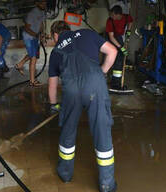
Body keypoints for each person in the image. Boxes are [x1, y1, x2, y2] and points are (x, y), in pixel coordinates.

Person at [48, 21, 118, 192]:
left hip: (71, 91)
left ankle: (65, 174)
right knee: (102, 129)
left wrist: (53, 105)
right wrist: (101, 72)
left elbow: (52, 85)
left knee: (68, 129)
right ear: (68, 30)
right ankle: (107, 184)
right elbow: (113, 51)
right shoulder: (87, 33)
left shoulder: (56, 51)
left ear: (55, 35)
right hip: (95, 85)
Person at [15, 0, 47, 87]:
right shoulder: (31, 14)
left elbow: (41, 24)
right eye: (41, 3)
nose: (44, 4)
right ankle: (32, 81)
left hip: (35, 37)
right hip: (28, 37)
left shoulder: (42, 12)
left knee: (34, 56)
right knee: (33, 58)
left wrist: (42, 34)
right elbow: (26, 28)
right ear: (37, 3)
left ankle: (19, 64)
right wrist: (36, 35)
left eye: (45, 2)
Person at [106, 5, 133, 91]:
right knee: (111, 57)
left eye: (113, 15)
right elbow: (111, 37)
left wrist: (128, 31)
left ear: (118, 15)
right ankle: (106, 78)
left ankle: (116, 82)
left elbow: (130, 21)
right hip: (110, 37)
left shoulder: (125, 17)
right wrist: (121, 47)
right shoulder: (110, 21)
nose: (111, 16)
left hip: (118, 37)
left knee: (120, 59)